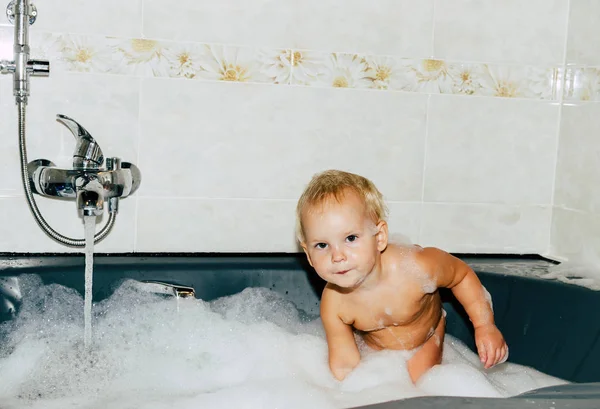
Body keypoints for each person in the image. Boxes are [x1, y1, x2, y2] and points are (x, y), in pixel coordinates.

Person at [295, 169, 508, 383]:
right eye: (322, 245)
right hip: (376, 349)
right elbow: (344, 363)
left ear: (379, 238)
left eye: (350, 238)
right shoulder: (334, 304)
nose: (337, 256)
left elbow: (461, 276)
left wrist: (484, 326)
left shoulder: (416, 268)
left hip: (425, 338)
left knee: (419, 387)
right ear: (308, 255)